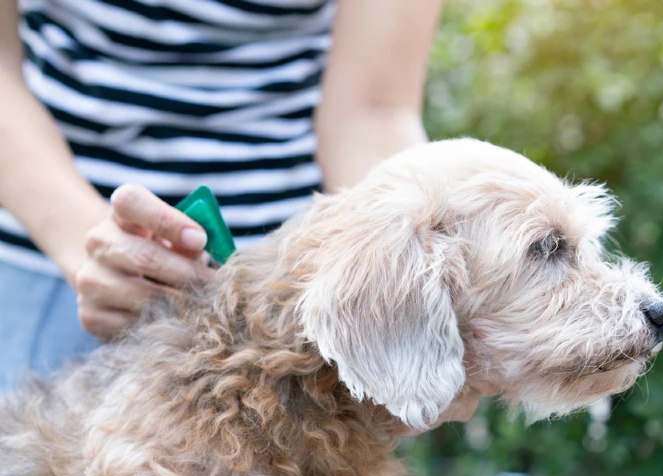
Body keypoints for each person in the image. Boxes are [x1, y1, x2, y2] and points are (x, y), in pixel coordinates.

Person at [0, 0, 442, 390]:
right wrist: (88, 246)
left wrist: (405, 274)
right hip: (54, 261)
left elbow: (373, 111)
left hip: (287, 295)